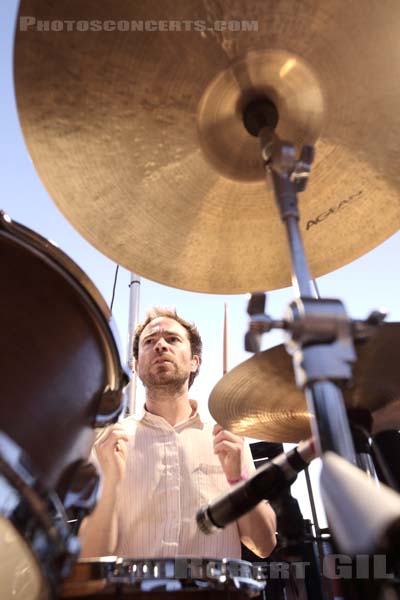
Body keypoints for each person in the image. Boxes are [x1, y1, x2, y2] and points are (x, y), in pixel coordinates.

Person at [80, 307, 276, 559]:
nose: (160, 345)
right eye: (149, 341)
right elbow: (88, 556)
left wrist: (239, 479)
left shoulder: (227, 437)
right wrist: (109, 486)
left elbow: (264, 545)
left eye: (172, 339)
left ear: (195, 361)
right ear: (137, 366)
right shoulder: (112, 444)